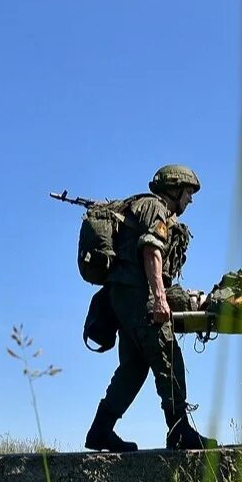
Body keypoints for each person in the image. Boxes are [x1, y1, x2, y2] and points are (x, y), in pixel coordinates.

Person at [85, 165, 218, 452]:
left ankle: (100, 430)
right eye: (188, 193)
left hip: (123, 297)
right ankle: (179, 430)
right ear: (174, 188)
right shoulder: (156, 208)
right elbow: (151, 250)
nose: (190, 200)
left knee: (133, 368)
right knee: (167, 353)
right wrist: (160, 297)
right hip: (139, 295)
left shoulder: (142, 206)